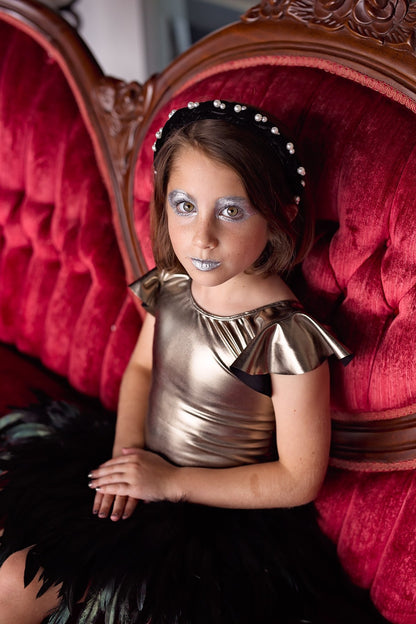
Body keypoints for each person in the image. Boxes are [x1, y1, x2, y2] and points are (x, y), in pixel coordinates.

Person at [0, 100, 387, 624]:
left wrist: (170, 482)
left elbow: (299, 479)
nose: (202, 236)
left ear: (283, 213)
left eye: (231, 211)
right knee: (13, 554)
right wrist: (126, 458)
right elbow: (142, 371)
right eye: (185, 205)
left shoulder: (283, 333)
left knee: (31, 586)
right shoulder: (173, 285)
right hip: (142, 463)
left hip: (213, 521)